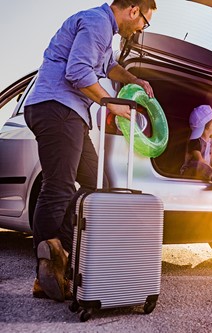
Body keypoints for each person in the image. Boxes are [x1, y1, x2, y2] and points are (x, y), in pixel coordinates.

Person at [24, 0, 157, 301]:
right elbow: (78, 72)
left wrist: (134, 80)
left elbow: (108, 66)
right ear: (134, 10)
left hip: (72, 114)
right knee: (57, 187)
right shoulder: (96, 22)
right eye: (144, 22)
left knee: (97, 187)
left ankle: (61, 251)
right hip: (57, 107)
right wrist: (111, 103)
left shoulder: (104, 32)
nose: (141, 29)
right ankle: (44, 273)